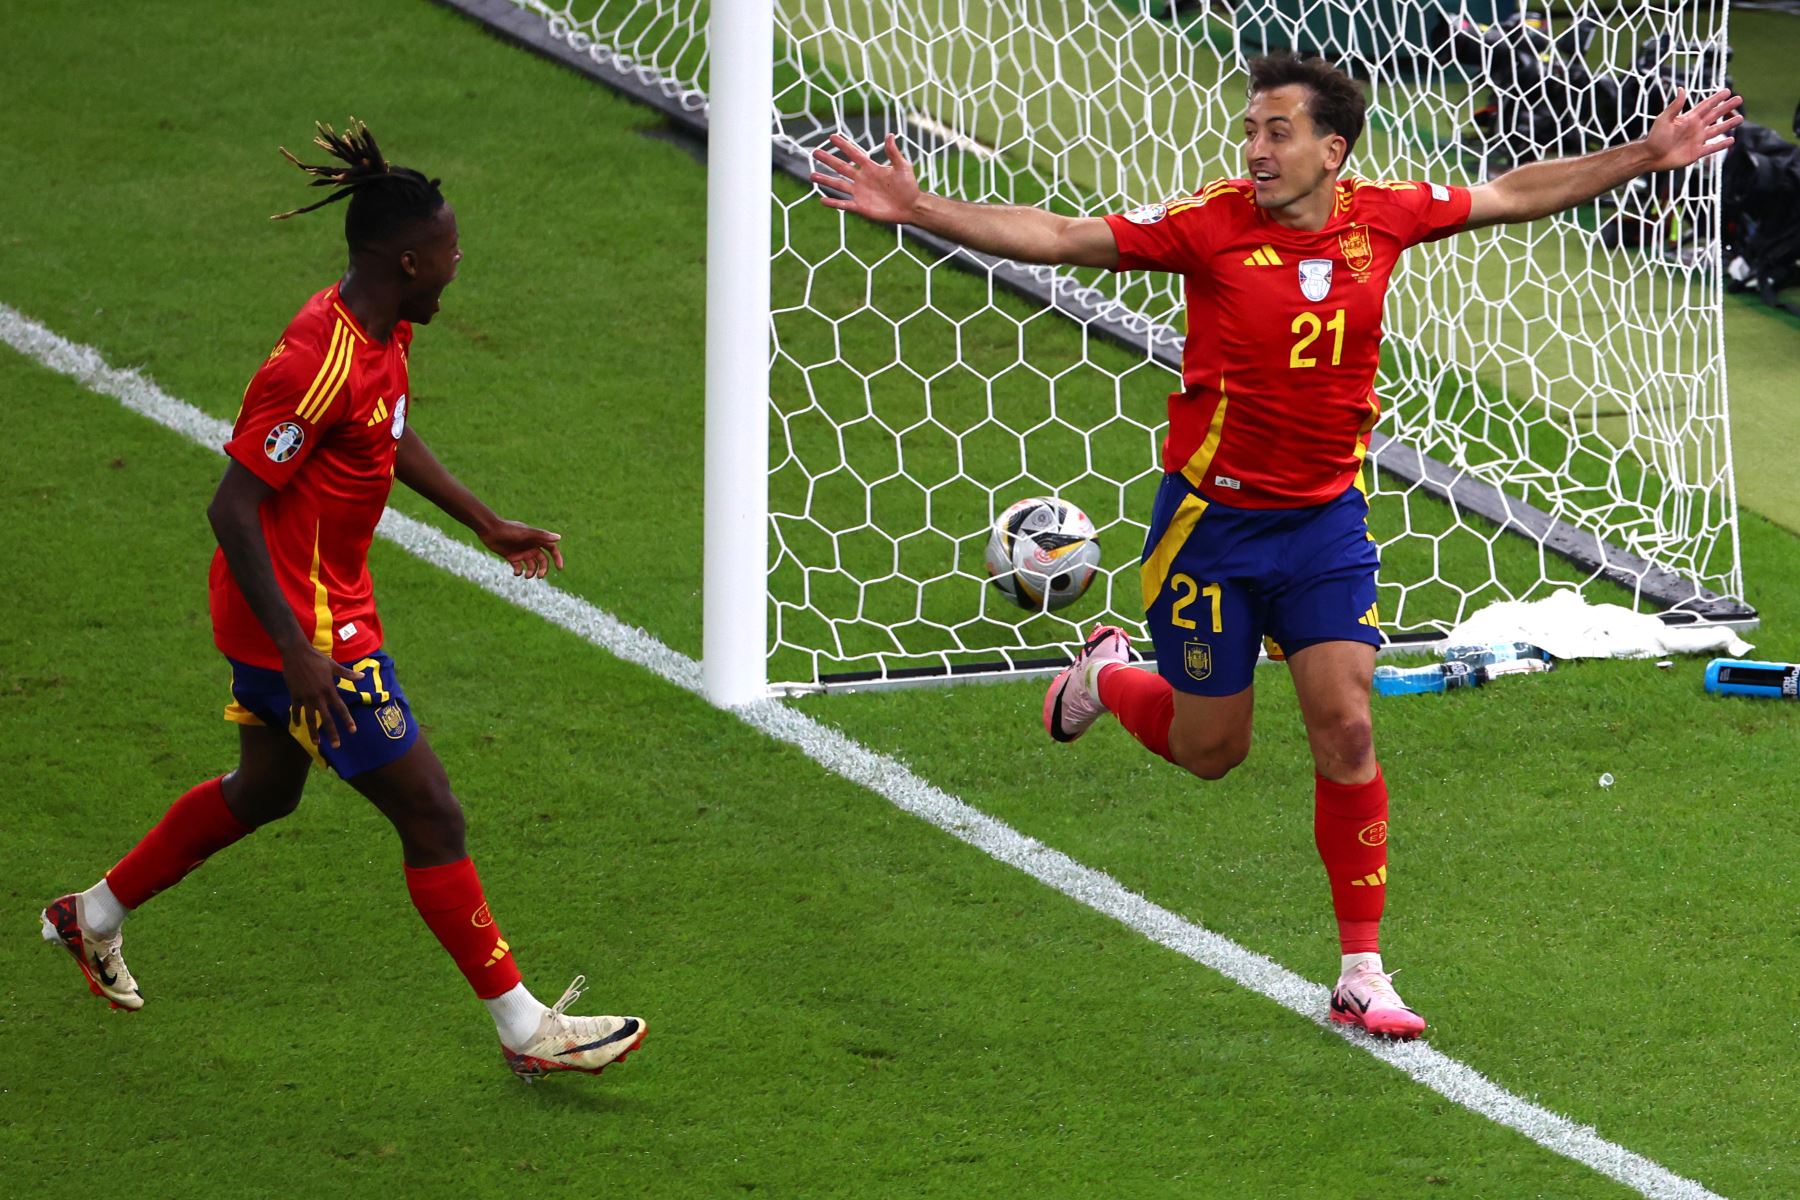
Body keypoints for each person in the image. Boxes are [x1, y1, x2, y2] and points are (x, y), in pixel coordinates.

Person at [811, 55, 1741, 1038]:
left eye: (1277, 131)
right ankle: (1105, 676)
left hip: (1325, 524)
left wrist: (1651, 152)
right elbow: (1059, 234)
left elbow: (1512, 192)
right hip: (1211, 528)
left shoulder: (1386, 215)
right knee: (1214, 751)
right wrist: (917, 207)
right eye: (1251, 129)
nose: (1255, 148)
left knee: (1345, 727)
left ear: (1332, 150)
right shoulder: (1207, 229)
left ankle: (1362, 970)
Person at [40, 121, 647, 1080]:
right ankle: (527, 1029)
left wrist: (483, 520)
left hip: (308, 613)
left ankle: (92, 914)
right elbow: (232, 504)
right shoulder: (313, 361)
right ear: (408, 259)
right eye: (449, 251)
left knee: (267, 789)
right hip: (306, 626)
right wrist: (298, 652)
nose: (459, 265)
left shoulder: (385, 326)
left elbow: (385, 432)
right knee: (432, 811)